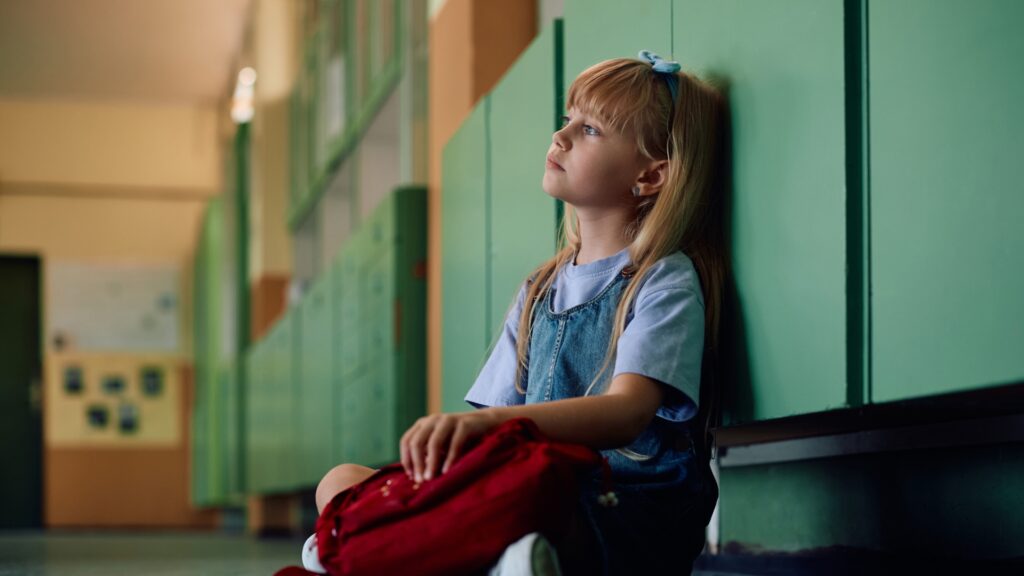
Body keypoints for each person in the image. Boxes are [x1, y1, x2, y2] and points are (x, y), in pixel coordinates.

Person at [306, 50, 727, 576]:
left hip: (623, 512)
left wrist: (489, 425)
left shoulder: (663, 277)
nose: (562, 137)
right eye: (567, 119)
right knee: (340, 480)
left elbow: (627, 413)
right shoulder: (538, 289)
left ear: (650, 176)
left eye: (591, 129)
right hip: (534, 492)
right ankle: (439, 547)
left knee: (528, 498)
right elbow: (491, 430)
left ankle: (378, 546)